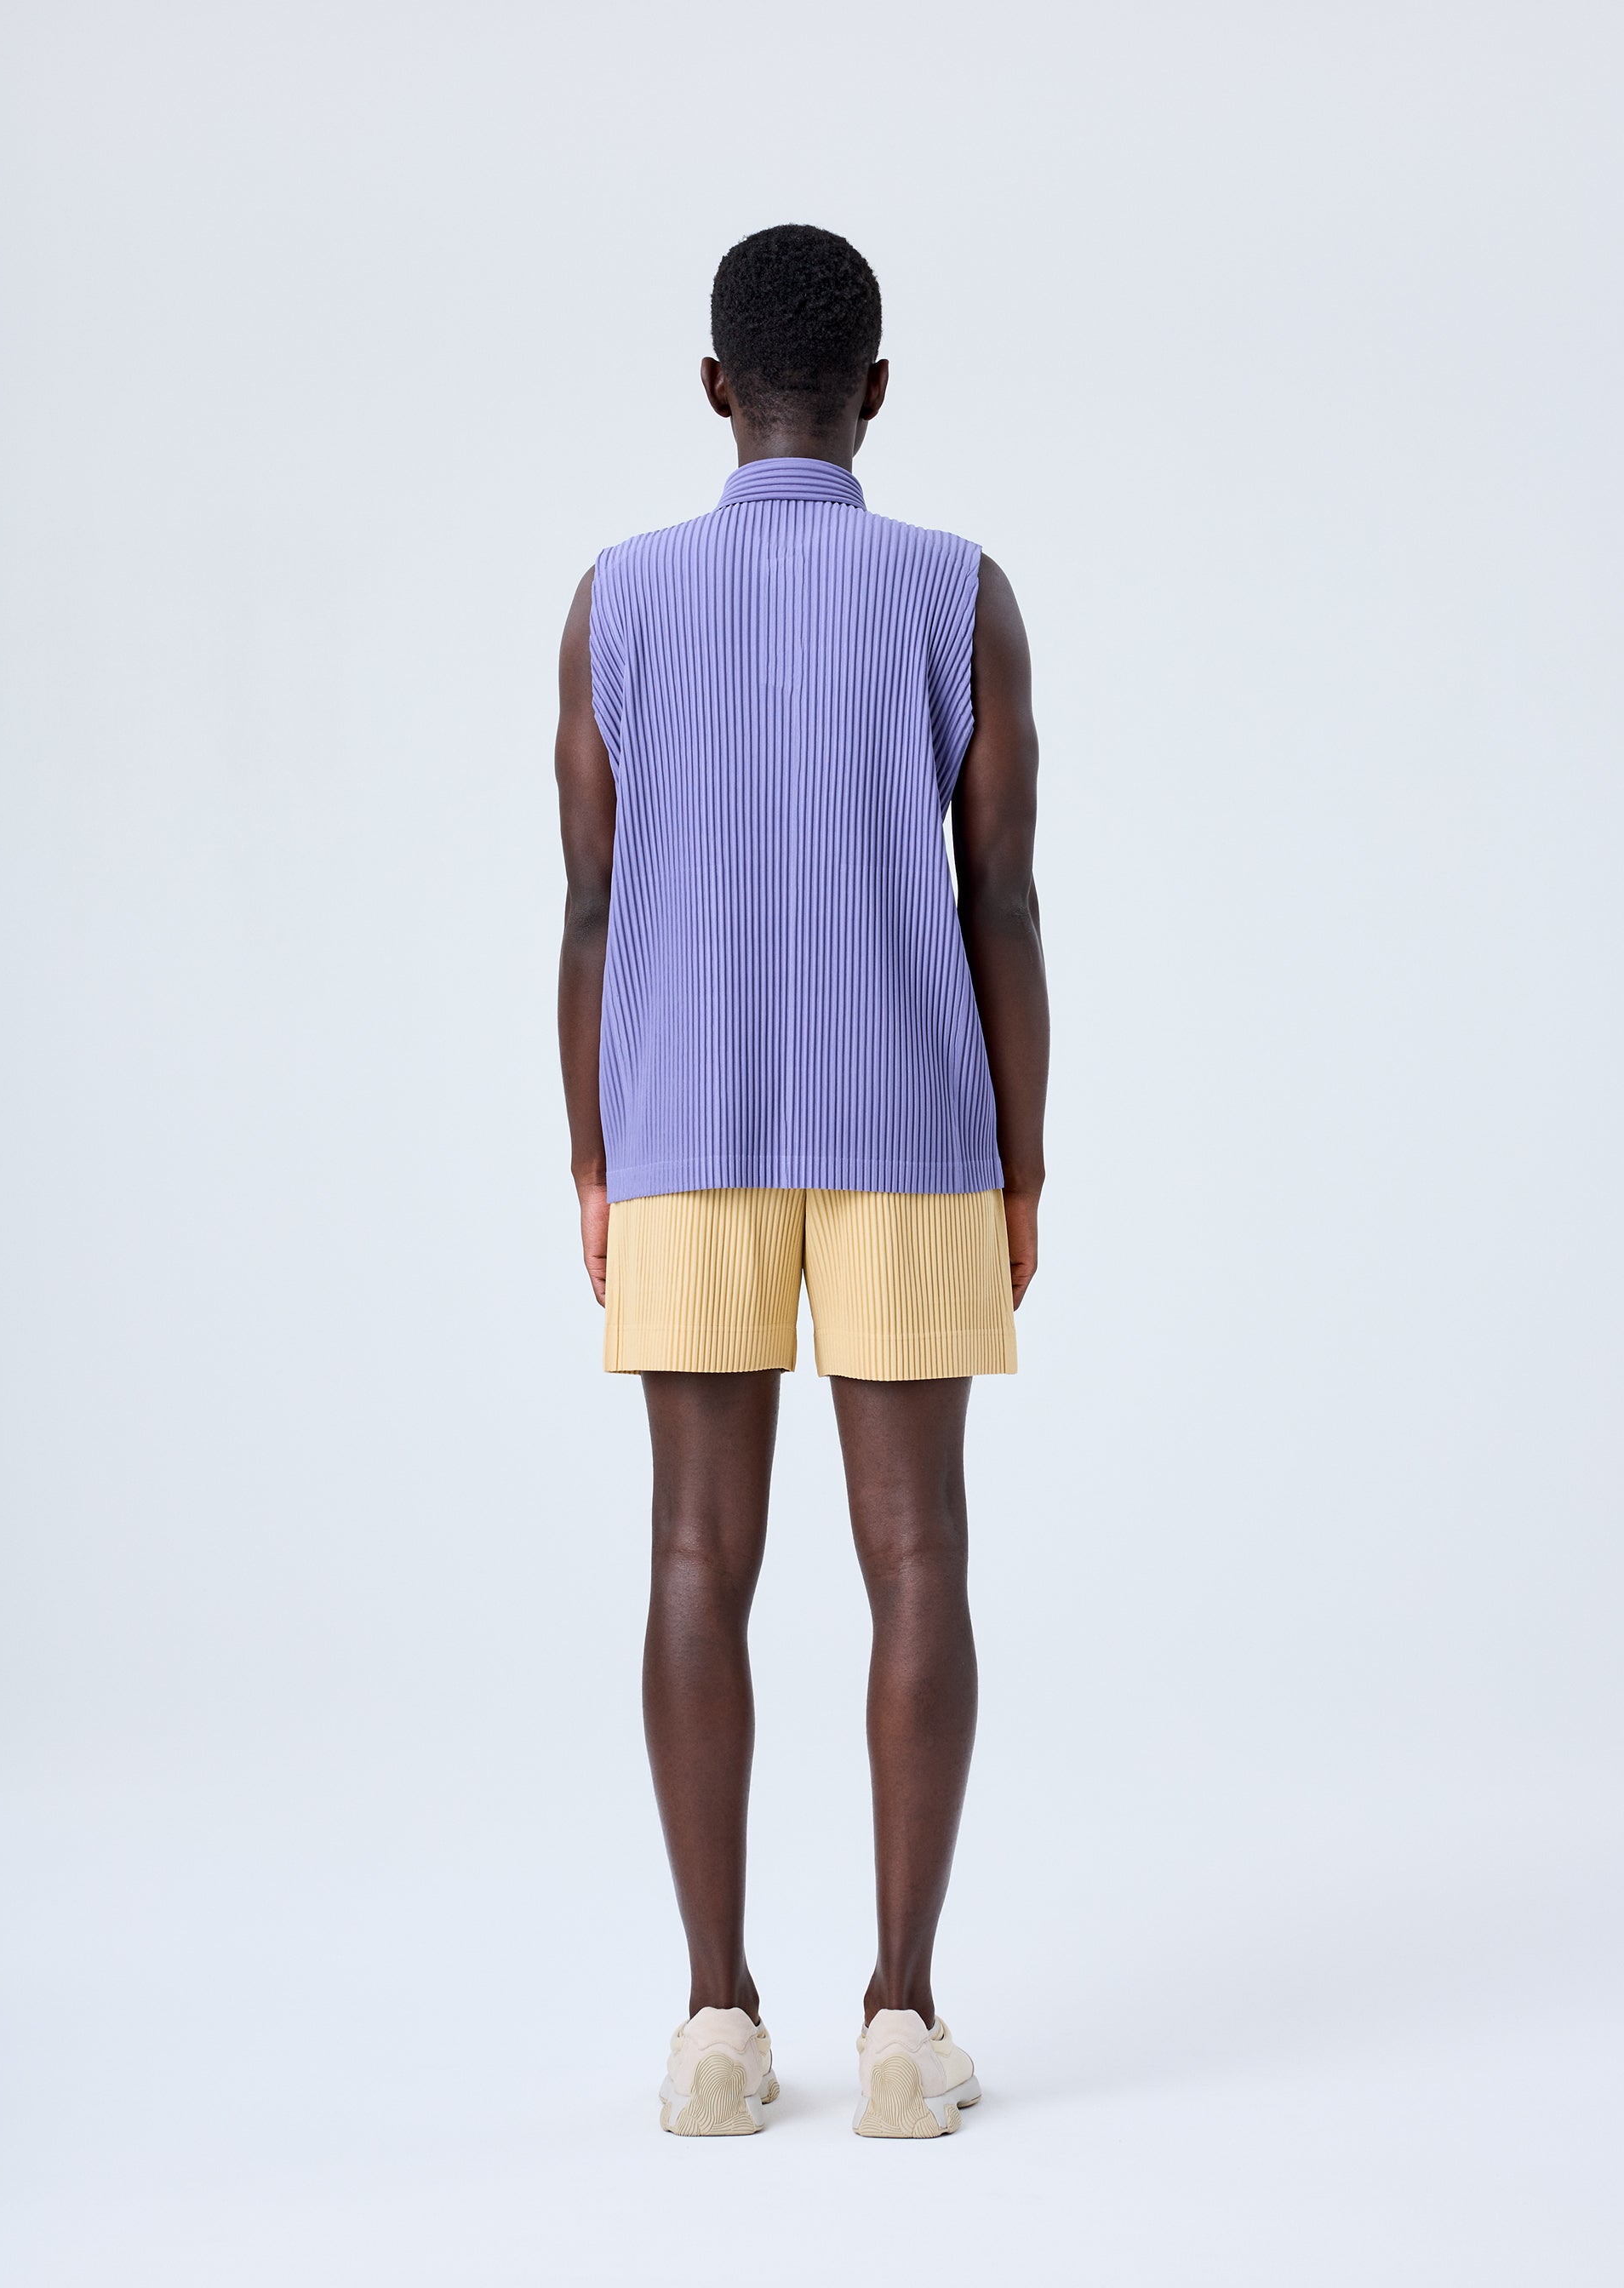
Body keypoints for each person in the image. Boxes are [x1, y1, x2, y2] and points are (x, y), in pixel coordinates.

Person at [555, 224, 1048, 2138]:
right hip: (914, 1121)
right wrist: (1024, 1157)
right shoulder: (957, 591)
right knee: (919, 1551)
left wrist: (593, 1154)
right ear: (877, 393)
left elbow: (590, 906)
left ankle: (714, 2025)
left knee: (696, 1553)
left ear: (714, 390)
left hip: (680, 1122)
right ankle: (903, 2025)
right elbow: (1001, 901)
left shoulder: (616, 599)